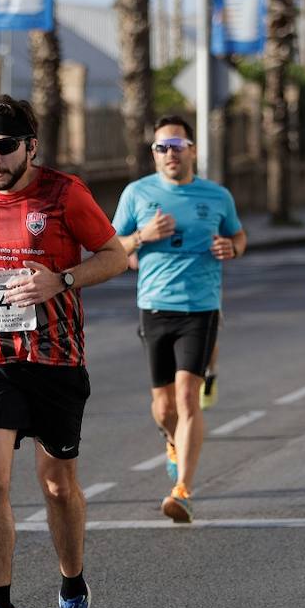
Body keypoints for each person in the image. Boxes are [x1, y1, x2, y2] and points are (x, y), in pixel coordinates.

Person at [0, 95, 129, 608]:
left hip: (56, 362)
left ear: (31, 147)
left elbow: (115, 255)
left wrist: (62, 281)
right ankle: (0, 607)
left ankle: (73, 591)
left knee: (56, 485)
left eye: (5, 147)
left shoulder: (64, 194)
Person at [112, 115, 246, 522]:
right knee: (163, 405)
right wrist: (141, 236)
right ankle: (171, 442)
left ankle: (182, 490)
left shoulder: (216, 195)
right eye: (161, 147)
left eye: (176, 145)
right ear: (153, 154)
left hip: (200, 307)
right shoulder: (137, 194)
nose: (169, 153)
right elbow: (111, 247)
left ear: (193, 150)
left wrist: (231, 248)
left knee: (189, 397)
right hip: (154, 305)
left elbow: (238, 236)